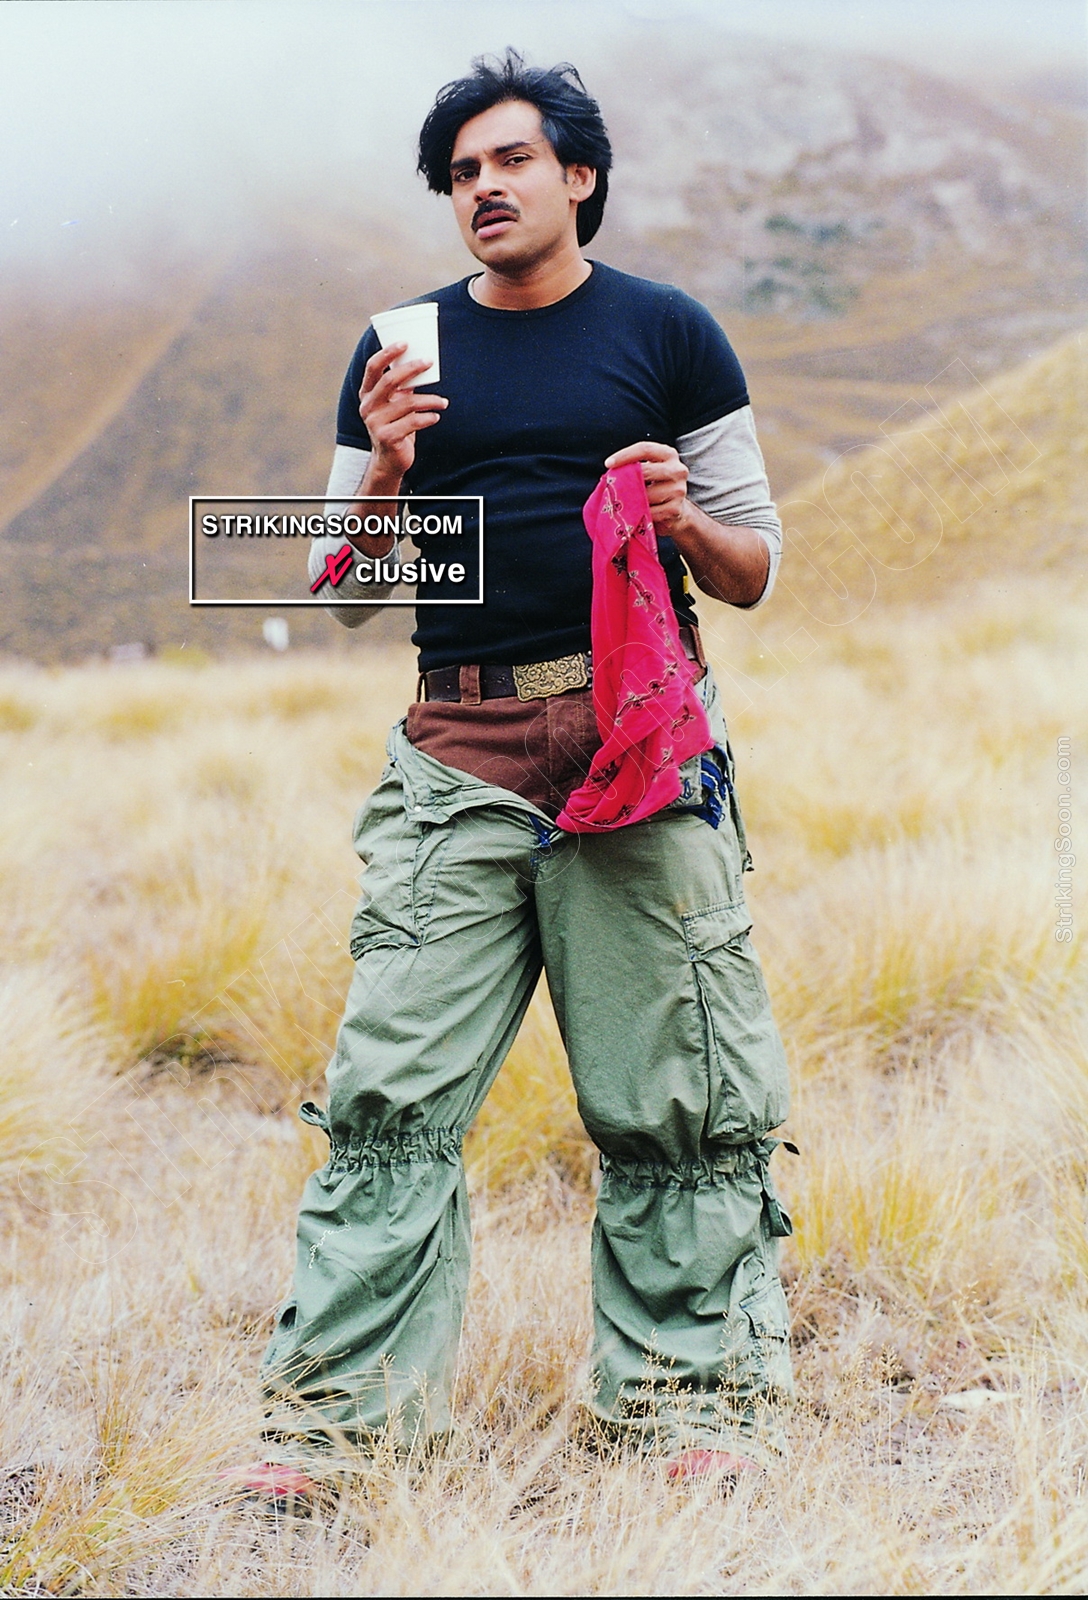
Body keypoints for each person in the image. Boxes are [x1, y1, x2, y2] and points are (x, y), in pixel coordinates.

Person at [259, 48, 793, 1491]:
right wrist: (383, 469)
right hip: (460, 751)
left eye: (509, 160)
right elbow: (340, 596)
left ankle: (689, 1415)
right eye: (460, 173)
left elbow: (754, 569)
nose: (482, 188)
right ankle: (340, 1430)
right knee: (390, 1098)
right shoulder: (401, 348)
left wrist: (682, 523)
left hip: (638, 750)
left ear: (579, 175)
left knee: (680, 1099)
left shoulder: (670, 334)